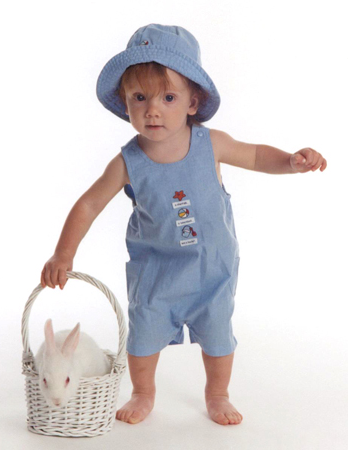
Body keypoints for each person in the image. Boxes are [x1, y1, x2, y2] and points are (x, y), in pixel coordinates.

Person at [40, 24, 327, 426]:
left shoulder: (213, 144)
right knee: (142, 340)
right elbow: (88, 205)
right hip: (156, 271)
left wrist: (291, 161)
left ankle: (217, 393)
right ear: (125, 104)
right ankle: (144, 391)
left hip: (212, 268)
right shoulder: (128, 162)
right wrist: (63, 253)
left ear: (193, 102)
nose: (152, 110)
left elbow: (258, 156)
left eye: (168, 97)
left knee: (218, 337)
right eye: (139, 98)